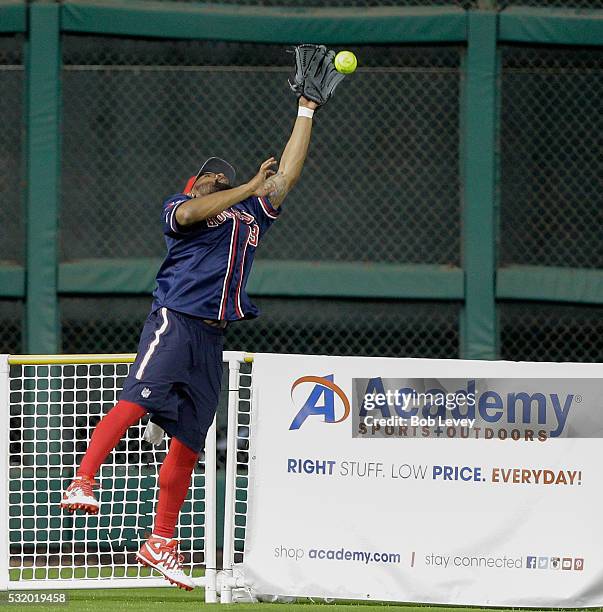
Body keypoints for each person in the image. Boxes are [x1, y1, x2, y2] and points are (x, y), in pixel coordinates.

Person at [60, 44, 346, 591]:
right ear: (197, 182)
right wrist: (244, 185)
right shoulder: (182, 206)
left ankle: (160, 540)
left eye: (225, 178)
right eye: (212, 177)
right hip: (176, 318)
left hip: (211, 337)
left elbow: (285, 175)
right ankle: (82, 479)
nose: (218, 179)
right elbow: (196, 211)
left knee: (190, 440)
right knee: (136, 397)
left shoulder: (250, 211)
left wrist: (306, 108)